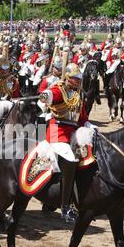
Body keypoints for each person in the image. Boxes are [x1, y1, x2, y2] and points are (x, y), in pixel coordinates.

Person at [39, 63, 97, 222]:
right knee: (71, 159)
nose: (77, 81)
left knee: (91, 154)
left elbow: (83, 117)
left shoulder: (80, 94)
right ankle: (65, 207)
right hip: (58, 132)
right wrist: (46, 95)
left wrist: (89, 125)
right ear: (67, 78)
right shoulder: (60, 90)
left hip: (74, 132)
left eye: (79, 78)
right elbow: (50, 96)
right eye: (74, 78)